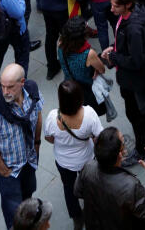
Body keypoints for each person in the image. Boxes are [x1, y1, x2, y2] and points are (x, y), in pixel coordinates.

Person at [0, 63, 44, 230]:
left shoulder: (31, 91)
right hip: (10, 172)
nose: (5, 92)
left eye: (10, 87)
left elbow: (38, 115)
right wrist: (3, 171)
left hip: (29, 161)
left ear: (22, 82)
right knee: (13, 211)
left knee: (28, 195)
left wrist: (37, 144)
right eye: (2, 86)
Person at [101, 0, 145, 163]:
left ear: (127, 4)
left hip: (133, 79)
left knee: (134, 114)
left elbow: (135, 61)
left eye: (116, 6)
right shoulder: (131, 17)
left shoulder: (133, 28)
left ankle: (141, 149)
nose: (112, 9)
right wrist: (115, 47)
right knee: (144, 104)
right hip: (137, 77)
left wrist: (114, 56)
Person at [74, 126, 145, 230]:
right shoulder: (131, 186)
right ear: (120, 154)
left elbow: (77, 191)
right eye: (123, 143)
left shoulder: (88, 167)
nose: (125, 145)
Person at [44, 79, 102, 230]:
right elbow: (99, 138)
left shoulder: (52, 117)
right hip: (87, 159)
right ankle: (94, 212)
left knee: (69, 188)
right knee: (90, 186)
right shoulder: (89, 114)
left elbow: (49, 138)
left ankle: (76, 216)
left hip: (63, 161)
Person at [57, 16, 107, 116]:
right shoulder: (89, 54)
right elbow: (102, 69)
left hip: (69, 87)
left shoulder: (60, 44)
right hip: (86, 91)